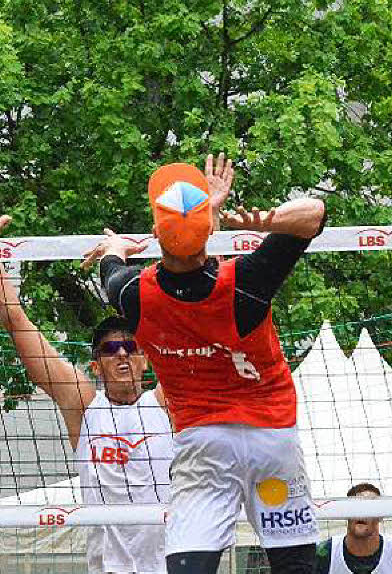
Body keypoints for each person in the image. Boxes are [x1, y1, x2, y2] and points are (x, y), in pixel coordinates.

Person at [82, 154, 326, 574]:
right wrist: (260, 221)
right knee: (293, 563)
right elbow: (316, 213)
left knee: (189, 563)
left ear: (156, 232)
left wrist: (117, 246)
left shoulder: (133, 296)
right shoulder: (247, 281)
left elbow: (113, 263)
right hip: (272, 438)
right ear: (210, 230)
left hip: (205, 445)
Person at [0, 179, 175, 574]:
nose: (123, 355)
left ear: (146, 358)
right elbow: (15, 321)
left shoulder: (165, 401)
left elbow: (196, 315)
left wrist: (175, 235)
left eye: (131, 347)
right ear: (97, 365)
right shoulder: (85, 403)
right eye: (112, 350)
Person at [315, 483, 392, 574]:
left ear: (381, 515)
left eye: (369, 508)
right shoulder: (325, 553)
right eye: (355, 507)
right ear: (345, 512)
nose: (361, 514)